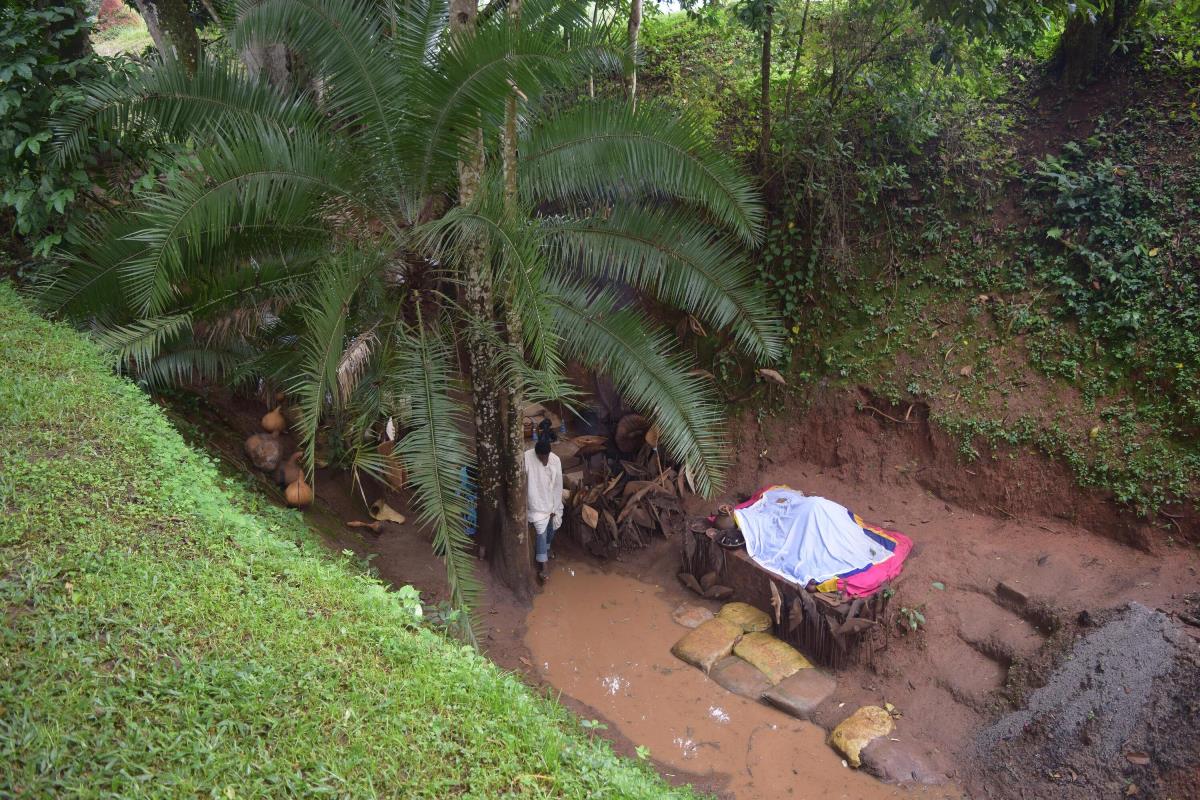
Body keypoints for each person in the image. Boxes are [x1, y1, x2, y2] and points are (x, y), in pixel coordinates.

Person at [524, 436, 563, 582]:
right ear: (536, 454)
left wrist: (555, 505)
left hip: (551, 501)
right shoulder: (527, 458)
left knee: (553, 524)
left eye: (545, 457)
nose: (544, 460)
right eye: (541, 457)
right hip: (535, 504)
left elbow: (558, 484)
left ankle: (547, 548)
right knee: (541, 529)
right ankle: (543, 564)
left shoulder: (555, 460)